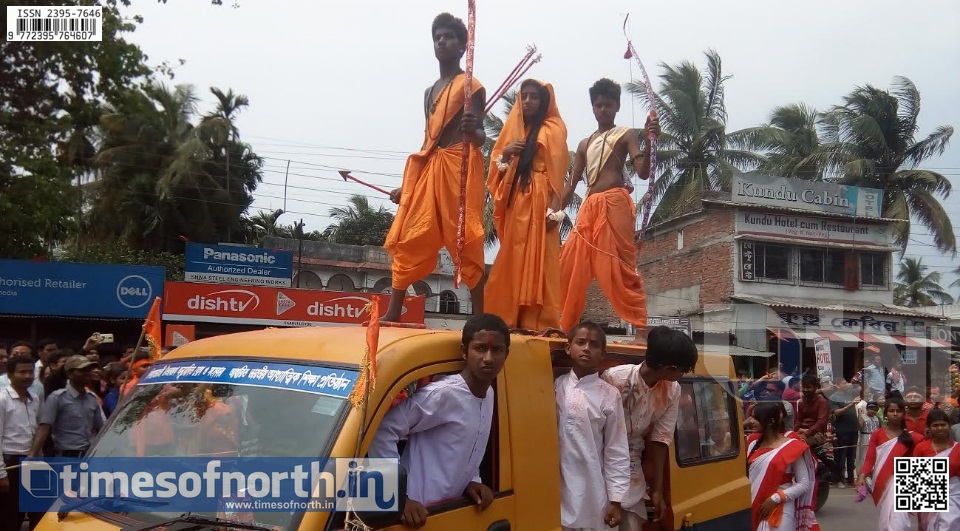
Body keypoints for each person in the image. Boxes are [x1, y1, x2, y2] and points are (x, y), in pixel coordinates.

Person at [382, 12, 487, 323]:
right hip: (431, 167)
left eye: (449, 37)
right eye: (437, 37)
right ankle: (393, 310)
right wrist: (409, 186)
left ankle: (479, 317)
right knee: (408, 236)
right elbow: (428, 139)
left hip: (459, 168)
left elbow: (480, 137)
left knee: (465, 239)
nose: (442, 41)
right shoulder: (430, 92)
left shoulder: (472, 86)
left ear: (462, 47)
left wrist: (473, 130)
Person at [367, 313, 509, 528]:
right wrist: (396, 498)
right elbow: (383, 429)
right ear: (464, 351)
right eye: (480, 348)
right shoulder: (443, 394)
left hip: (449, 513)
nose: (488, 358)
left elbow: (470, 446)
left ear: (507, 354)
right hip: (413, 515)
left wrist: (473, 481)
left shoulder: (488, 393)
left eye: (496, 350)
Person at [557, 78, 660, 343]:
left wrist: (650, 142)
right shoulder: (583, 144)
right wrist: (553, 210)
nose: (602, 109)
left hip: (615, 203)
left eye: (608, 105)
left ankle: (640, 329)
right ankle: (565, 324)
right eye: (598, 105)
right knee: (569, 262)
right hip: (589, 206)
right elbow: (571, 184)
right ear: (592, 108)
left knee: (622, 265)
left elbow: (643, 172)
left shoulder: (625, 135)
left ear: (617, 107)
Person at [485, 79, 569, 331]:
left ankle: (540, 322)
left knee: (543, 260)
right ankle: (508, 319)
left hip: (542, 200)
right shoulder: (515, 130)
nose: (528, 101)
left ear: (544, 101)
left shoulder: (554, 129)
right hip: (518, 202)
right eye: (524, 96)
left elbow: (558, 174)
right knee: (512, 257)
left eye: (534, 97)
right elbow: (496, 174)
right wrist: (507, 153)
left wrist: (554, 211)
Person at [600, 326, 698, 530]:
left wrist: (657, 490)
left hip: (633, 466)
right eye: (683, 369)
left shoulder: (672, 390)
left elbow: (661, 439)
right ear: (668, 367)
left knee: (631, 523)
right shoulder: (614, 379)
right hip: (600, 459)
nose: (683, 374)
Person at [556, 322, 630, 530]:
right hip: (557, 492)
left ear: (602, 354)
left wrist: (616, 501)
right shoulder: (556, 386)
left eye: (594, 345)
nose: (587, 348)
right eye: (580, 342)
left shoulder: (608, 394)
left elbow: (616, 449)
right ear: (569, 348)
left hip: (593, 495)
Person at [746, 402, 820, 531]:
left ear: (771, 421)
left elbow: (804, 483)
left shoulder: (792, 446)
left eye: (756, 418)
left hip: (781, 507)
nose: (750, 421)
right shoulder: (752, 444)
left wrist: (775, 499)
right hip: (755, 505)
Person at [857, 395, 923, 531]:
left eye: (898, 411)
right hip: (881, 481)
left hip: (904, 482)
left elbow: (926, 457)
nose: (895, 414)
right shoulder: (877, 434)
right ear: (886, 413)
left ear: (904, 413)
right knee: (886, 520)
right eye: (891, 411)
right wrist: (862, 476)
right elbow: (870, 458)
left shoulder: (913, 437)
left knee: (899, 521)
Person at [29, 355, 106, 458]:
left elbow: (101, 429)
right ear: (69, 374)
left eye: (88, 369)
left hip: (90, 455)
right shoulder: (57, 398)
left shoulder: (92, 398)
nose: (87, 373)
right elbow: (44, 428)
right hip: (67, 456)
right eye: (82, 370)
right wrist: (33, 454)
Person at [0, 355, 43, 529]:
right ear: (10, 374)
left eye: (30, 372)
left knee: (37, 512)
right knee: (10, 516)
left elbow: (36, 429)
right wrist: (1, 473)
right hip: (10, 463)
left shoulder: (35, 399)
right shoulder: (2, 399)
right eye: (22, 372)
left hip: (31, 461)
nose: (27, 376)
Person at [912, 409, 959, 530]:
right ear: (929, 427)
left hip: (954, 497)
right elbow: (916, 476)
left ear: (949, 426)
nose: (940, 428)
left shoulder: (957, 448)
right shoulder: (921, 448)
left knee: (949, 524)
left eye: (943, 424)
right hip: (929, 494)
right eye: (935, 425)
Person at [828, 378, 859, 488]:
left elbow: (861, 387)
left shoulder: (850, 393)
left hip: (853, 429)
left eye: (846, 382)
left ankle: (850, 479)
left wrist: (856, 380)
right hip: (842, 431)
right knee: (840, 456)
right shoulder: (833, 398)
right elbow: (837, 413)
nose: (846, 384)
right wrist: (851, 404)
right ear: (837, 385)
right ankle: (839, 479)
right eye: (843, 383)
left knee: (852, 456)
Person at [795, 375, 830, 448]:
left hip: (817, 433)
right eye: (804, 387)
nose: (805, 390)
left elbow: (821, 422)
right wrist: (794, 431)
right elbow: (799, 419)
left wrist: (806, 433)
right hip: (802, 431)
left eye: (808, 387)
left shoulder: (822, 401)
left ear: (815, 388)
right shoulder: (802, 401)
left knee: (798, 445)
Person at [856, 402, 881, 473]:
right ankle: (864, 472)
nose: (873, 411)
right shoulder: (863, 417)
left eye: (875, 409)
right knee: (865, 455)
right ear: (867, 409)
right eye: (871, 409)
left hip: (875, 438)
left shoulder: (877, 418)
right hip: (865, 438)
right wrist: (860, 417)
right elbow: (860, 428)